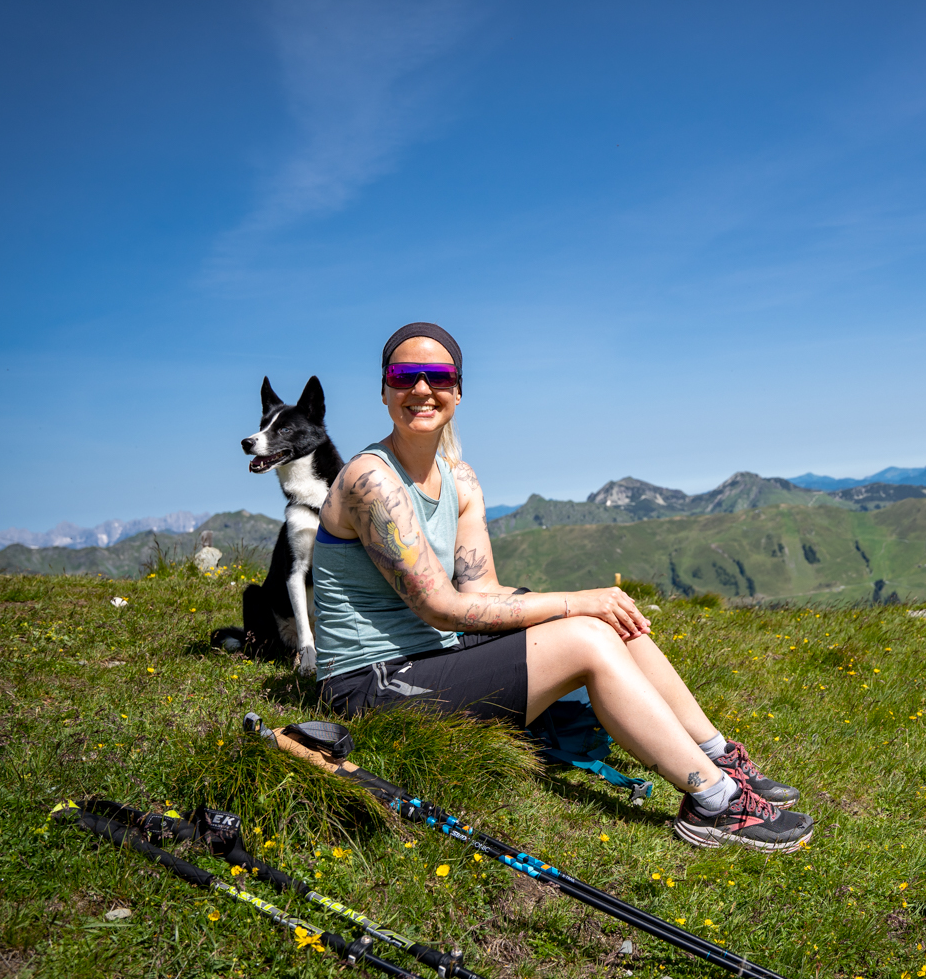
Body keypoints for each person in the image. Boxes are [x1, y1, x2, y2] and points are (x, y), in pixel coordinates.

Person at [311, 322, 814, 852]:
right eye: (404, 375)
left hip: (436, 655)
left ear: (457, 390)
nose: (420, 389)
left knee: (605, 620)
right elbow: (441, 607)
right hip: (371, 686)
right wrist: (574, 607)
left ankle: (714, 753)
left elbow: (481, 589)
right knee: (586, 635)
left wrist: (592, 607)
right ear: (385, 389)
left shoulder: (460, 479)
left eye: (437, 376)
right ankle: (715, 803)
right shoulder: (371, 481)